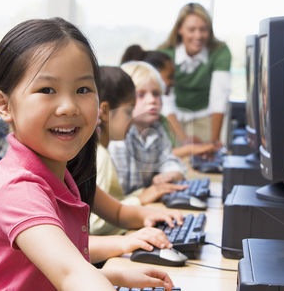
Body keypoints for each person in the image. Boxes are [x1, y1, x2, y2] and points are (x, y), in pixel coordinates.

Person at [0, 18, 176, 291]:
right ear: (4, 105)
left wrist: (115, 277)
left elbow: (49, 276)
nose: (69, 107)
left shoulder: (63, 172)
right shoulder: (19, 190)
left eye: (83, 89)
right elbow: (70, 274)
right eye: (47, 90)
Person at [90, 66, 188, 237]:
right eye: (129, 111)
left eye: (156, 93)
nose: (131, 119)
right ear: (104, 112)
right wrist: (142, 199)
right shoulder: (103, 154)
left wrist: (150, 200)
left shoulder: (156, 129)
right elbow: (94, 224)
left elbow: (113, 207)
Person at [121, 44, 216, 158]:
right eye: (170, 77)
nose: (173, 82)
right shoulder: (125, 132)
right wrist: (187, 149)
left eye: (155, 93)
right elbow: (153, 157)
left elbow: (162, 152)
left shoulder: (156, 122)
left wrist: (187, 143)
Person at [108, 61, 188, 196]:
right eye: (141, 95)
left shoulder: (157, 129)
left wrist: (170, 175)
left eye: (156, 93)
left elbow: (169, 160)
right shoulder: (119, 138)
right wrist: (151, 190)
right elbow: (122, 192)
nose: (152, 100)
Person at [158, 2, 232, 147]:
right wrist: (184, 139)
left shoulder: (220, 51)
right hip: (173, 115)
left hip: (205, 114)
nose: (198, 35)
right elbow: (166, 101)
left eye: (203, 29)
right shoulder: (165, 54)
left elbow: (219, 98)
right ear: (179, 29)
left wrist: (214, 142)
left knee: (206, 157)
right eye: (191, 29)